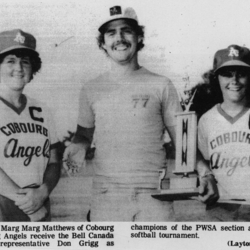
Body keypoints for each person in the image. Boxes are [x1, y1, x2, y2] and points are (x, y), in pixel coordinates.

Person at [64, 5, 216, 221]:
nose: (119, 38)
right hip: (107, 195)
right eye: (111, 33)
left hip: (153, 194)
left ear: (138, 37)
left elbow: (183, 139)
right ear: (103, 43)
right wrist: (77, 147)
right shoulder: (91, 88)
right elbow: (83, 135)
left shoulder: (161, 84)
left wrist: (205, 172)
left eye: (126, 30)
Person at [0, 29, 60, 221]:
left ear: (33, 68)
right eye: (10, 61)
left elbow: (54, 161)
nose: (19, 68)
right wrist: (30, 207)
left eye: (25, 61)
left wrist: (43, 192)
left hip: (39, 200)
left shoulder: (42, 110)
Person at [198, 44, 250, 221]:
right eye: (227, 74)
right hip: (220, 207)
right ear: (216, 78)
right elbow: (202, 162)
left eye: (241, 74)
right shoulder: (206, 120)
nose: (234, 80)